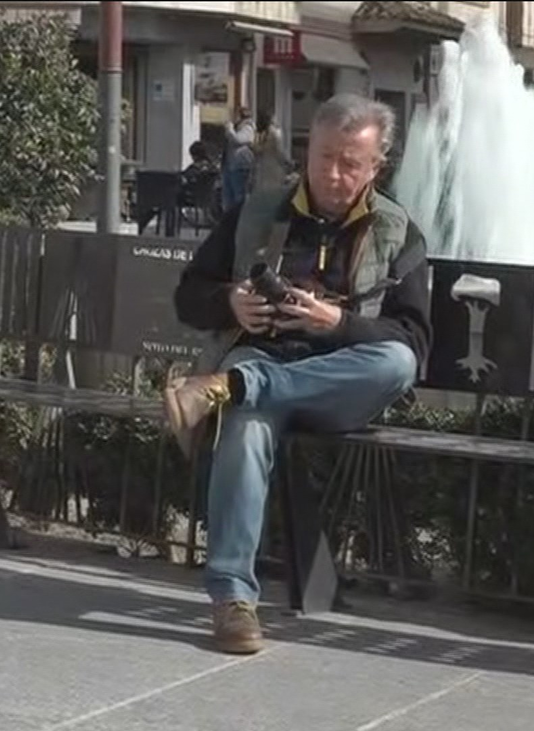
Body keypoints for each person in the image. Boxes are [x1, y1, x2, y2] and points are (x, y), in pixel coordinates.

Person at [164, 93, 432, 655]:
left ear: (376, 166)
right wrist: (230, 304)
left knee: (396, 362)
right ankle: (232, 601)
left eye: (350, 164)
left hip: (340, 382)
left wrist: (338, 323)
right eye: (325, 158)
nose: (334, 174)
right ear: (308, 153)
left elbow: (414, 343)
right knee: (245, 423)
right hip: (262, 358)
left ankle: (231, 388)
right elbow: (189, 296)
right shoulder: (257, 212)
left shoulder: (399, 232)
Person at [221, 107, 255, 211]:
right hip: (230, 165)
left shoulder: (248, 128)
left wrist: (230, 129)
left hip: (240, 166)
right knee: (228, 197)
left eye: (235, 115)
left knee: (239, 196)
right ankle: (228, 219)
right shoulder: (237, 127)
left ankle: (237, 220)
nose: (233, 117)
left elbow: (238, 140)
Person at [250, 111, 293, 193]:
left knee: (263, 191)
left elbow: (255, 148)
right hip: (274, 167)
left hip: (262, 167)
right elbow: (279, 150)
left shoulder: (261, 133)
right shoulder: (274, 133)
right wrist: (287, 162)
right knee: (273, 192)